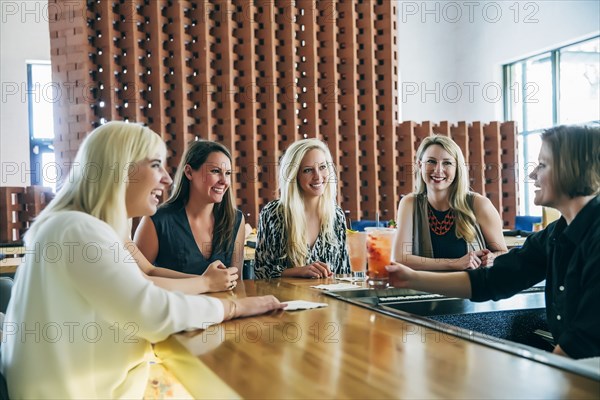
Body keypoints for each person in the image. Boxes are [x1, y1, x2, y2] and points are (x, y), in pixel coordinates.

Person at [0, 122, 285, 398]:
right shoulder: (77, 230)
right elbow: (152, 312)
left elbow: (142, 288)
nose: (167, 178)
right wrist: (233, 308)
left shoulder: (77, 227)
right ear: (120, 168)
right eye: (155, 165)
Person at [387, 125, 600, 359]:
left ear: (572, 170)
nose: (532, 175)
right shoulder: (554, 235)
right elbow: (493, 280)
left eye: (542, 165)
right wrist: (409, 278)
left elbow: (585, 339)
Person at [134, 140, 245, 291]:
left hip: (222, 311)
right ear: (189, 172)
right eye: (215, 171)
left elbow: (237, 284)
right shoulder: (157, 219)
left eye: (228, 173)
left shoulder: (235, 220)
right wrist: (206, 282)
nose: (224, 181)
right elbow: (139, 280)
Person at [392, 135, 507, 271]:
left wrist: (492, 259)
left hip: (470, 290)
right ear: (419, 165)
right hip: (425, 290)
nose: (438, 170)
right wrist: (455, 263)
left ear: (457, 168)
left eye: (447, 163)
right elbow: (400, 258)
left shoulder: (479, 204)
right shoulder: (409, 203)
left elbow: (503, 253)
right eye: (431, 161)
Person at [254, 138, 350, 279]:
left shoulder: (336, 215)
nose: (318, 176)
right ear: (294, 176)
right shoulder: (274, 213)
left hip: (329, 299)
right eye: (308, 170)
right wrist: (299, 271)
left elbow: (344, 271)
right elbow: (261, 272)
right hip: (288, 299)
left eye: (322, 167)